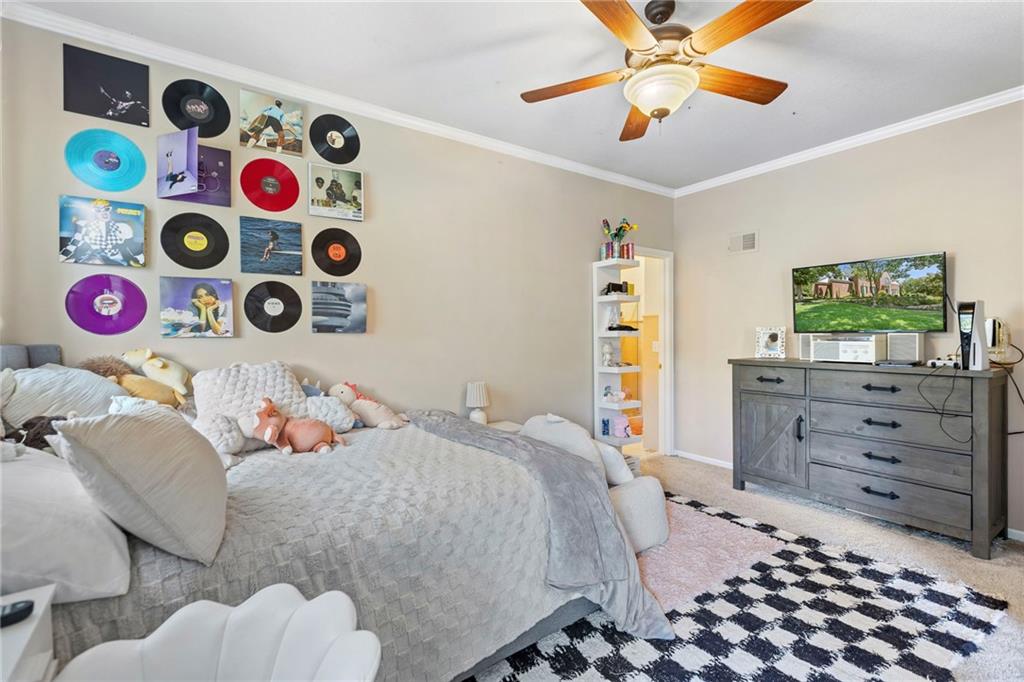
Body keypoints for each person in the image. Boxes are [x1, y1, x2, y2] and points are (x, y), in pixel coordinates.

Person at [62, 198, 142, 267]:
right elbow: (73, 245)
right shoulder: (84, 225)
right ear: (94, 213)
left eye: (106, 209)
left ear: (110, 210)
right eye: (98, 210)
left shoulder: (122, 227)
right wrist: (60, 258)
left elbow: (133, 248)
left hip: (115, 261)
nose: (104, 213)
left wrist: (142, 261)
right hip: (93, 258)